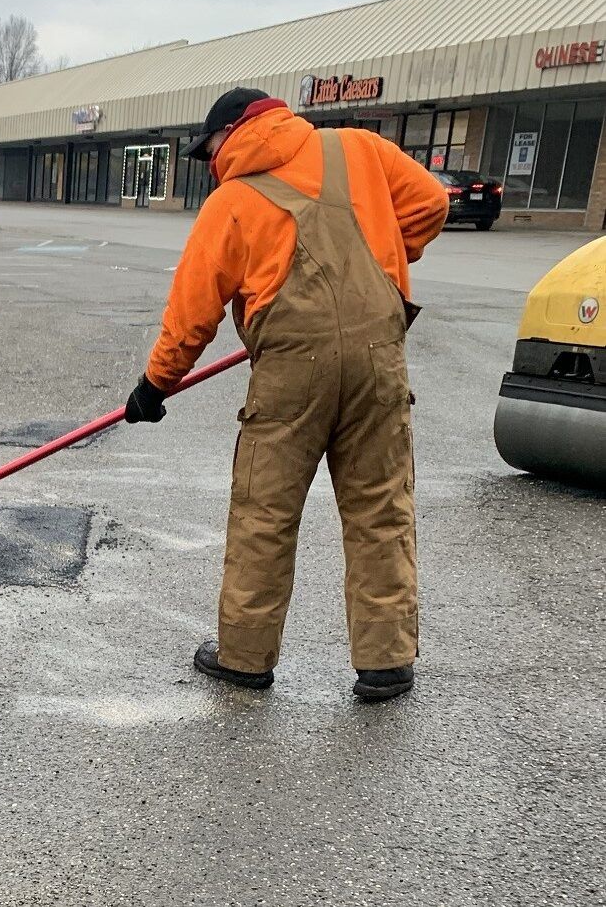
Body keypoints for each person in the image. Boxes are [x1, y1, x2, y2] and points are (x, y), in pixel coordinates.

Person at [123, 87, 448, 702]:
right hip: (381, 350)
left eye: (208, 149)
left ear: (230, 134)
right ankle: (385, 659)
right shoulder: (360, 150)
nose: (209, 161)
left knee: (264, 509)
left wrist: (156, 385)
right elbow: (431, 203)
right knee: (380, 503)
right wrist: (381, 255)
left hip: (292, 366)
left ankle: (245, 656)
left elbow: (191, 314)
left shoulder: (233, 203)